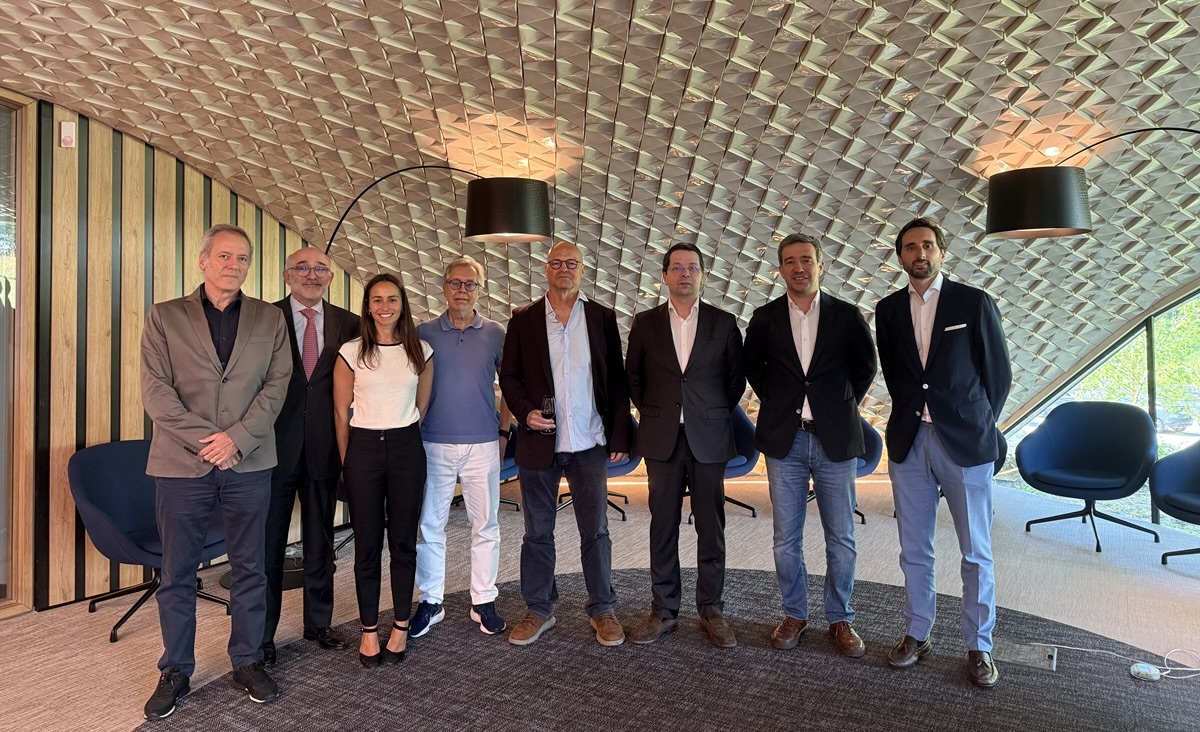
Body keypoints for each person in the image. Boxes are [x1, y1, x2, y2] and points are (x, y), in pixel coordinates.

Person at [139, 224, 291, 720]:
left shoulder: (269, 318)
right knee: (178, 572)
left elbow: (277, 384)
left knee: (250, 567)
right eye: (224, 256)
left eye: (243, 258)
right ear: (203, 260)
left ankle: (247, 660)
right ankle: (175, 669)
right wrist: (212, 442)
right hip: (182, 464)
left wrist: (237, 440)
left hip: (249, 462)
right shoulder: (165, 316)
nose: (234, 265)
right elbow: (156, 391)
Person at [875, 216, 1011, 688]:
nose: (920, 253)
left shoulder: (973, 302)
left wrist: (974, 420)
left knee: (976, 550)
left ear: (942, 252)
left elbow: (998, 375)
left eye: (928, 245)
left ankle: (979, 644)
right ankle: (917, 631)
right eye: (911, 246)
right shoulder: (887, 309)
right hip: (910, 440)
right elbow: (895, 373)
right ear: (900, 256)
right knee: (914, 548)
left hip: (965, 442)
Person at [743, 232, 877, 658]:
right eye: (790, 261)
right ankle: (794, 614)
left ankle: (840, 617)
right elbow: (754, 369)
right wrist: (782, 402)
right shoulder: (765, 318)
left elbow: (865, 368)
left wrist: (837, 406)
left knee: (841, 537)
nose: (798, 267)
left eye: (806, 259)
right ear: (780, 269)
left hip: (834, 439)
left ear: (821, 265)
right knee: (786, 538)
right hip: (786, 441)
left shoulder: (847, 315)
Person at [499, 241, 632, 647]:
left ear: (582, 269)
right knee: (537, 532)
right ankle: (538, 609)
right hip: (540, 443)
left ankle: (602, 608)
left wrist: (620, 433)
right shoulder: (523, 320)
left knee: (596, 530)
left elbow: (616, 379)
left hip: (589, 441)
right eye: (556, 262)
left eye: (571, 263)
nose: (563, 269)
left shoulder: (602, 317)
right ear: (546, 269)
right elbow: (510, 377)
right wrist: (525, 412)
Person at [625, 243, 745, 647]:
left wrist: (705, 412)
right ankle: (664, 610)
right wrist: (657, 413)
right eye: (677, 267)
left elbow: (734, 380)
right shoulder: (645, 323)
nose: (685, 274)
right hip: (662, 439)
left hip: (708, 436)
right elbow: (633, 377)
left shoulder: (723, 322)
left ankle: (712, 610)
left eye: (693, 267)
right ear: (664, 276)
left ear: (703, 275)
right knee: (663, 526)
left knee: (712, 527)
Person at [260, 247, 359, 664]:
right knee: (267, 546)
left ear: (331, 278)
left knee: (321, 541)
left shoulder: (350, 324)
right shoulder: (263, 318)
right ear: (287, 275)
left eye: (321, 269)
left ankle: (319, 623)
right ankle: (261, 635)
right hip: (271, 450)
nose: (312, 275)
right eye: (302, 267)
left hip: (325, 447)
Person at [333, 273, 434, 667]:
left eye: (392, 299)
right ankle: (369, 629)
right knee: (367, 545)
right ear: (368, 306)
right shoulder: (351, 351)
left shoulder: (420, 350)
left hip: (406, 448)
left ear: (402, 304)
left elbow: (421, 407)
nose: (385, 306)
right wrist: (349, 459)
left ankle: (402, 625)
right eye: (377, 299)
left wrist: (400, 437)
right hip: (362, 449)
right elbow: (341, 413)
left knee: (404, 542)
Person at [410, 256, 510, 638]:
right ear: (444, 287)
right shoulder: (423, 333)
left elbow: (510, 386)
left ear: (480, 290)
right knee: (429, 526)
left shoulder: (496, 333)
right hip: (432, 443)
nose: (462, 290)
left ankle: (483, 600)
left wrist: (504, 434)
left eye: (470, 284)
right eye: (455, 282)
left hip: (483, 444)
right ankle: (430, 601)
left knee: (485, 526)